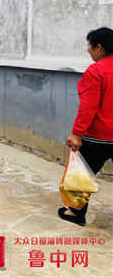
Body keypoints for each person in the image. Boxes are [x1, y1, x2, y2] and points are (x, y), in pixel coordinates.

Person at [58, 27, 113, 226]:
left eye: (89, 45)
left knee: (81, 175)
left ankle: (76, 214)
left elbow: (88, 107)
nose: (88, 49)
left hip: (98, 137)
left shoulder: (96, 71)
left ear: (99, 47)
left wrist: (76, 134)